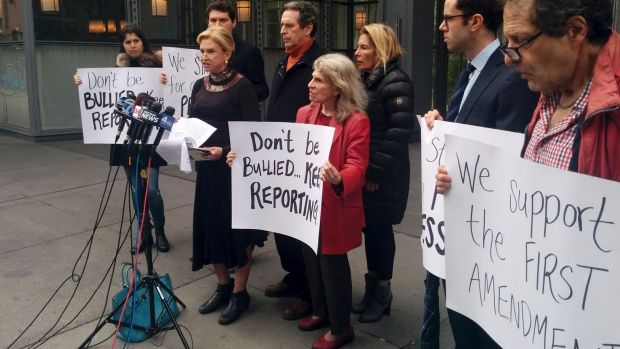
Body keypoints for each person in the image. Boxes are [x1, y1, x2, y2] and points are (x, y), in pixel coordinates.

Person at [423, 0, 539, 348]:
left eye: (448, 19)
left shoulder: (512, 76)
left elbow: (507, 164)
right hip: (457, 233)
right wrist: (443, 130)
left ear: (474, 22)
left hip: (487, 245)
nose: (441, 27)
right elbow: (473, 138)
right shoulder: (470, 71)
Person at [189, 26, 266, 325]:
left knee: (238, 233)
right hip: (207, 170)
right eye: (202, 52)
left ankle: (240, 292)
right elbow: (193, 122)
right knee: (211, 228)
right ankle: (222, 285)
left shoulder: (242, 86)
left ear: (227, 53)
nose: (205, 57)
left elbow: (253, 136)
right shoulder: (199, 85)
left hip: (234, 170)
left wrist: (223, 149)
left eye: (211, 51)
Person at [74, 24, 171, 253]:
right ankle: (143, 233)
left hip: (149, 138)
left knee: (152, 189)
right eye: (128, 42)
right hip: (126, 138)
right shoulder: (116, 71)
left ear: (143, 41)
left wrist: (169, 79)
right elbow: (103, 94)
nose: (133, 45)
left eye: (136, 40)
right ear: (123, 45)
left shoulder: (159, 66)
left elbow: (174, 93)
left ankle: (160, 229)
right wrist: (82, 82)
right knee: (137, 189)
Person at [296, 53, 370, 349]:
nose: (311, 84)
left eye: (318, 80)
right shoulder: (304, 113)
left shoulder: (356, 121)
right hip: (305, 203)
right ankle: (319, 311)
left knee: (332, 266)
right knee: (311, 261)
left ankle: (340, 328)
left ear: (337, 86)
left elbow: (358, 165)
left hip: (334, 206)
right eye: (312, 77)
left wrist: (341, 178)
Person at [501, 0, 620, 182]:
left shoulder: (613, 109)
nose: (508, 60)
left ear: (575, 30)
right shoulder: (552, 88)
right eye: (507, 42)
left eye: (520, 41)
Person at [263, 1, 325, 321]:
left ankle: (309, 292)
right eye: (282, 25)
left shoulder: (320, 63)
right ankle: (293, 276)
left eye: (289, 26)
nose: (283, 31)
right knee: (282, 226)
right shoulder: (283, 60)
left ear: (308, 28)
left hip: (302, 161)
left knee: (302, 230)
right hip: (276, 158)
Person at [351, 23, 415, 324]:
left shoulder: (395, 81)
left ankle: (383, 290)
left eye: (364, 47)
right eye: (358, 46)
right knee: (370, 231)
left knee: (380, 231)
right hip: (368, 173)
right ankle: (373, 286)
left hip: (383, 176)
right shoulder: (366, 80)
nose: (357, 51)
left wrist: (374, 172)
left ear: (381, 49)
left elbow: (397, 134)